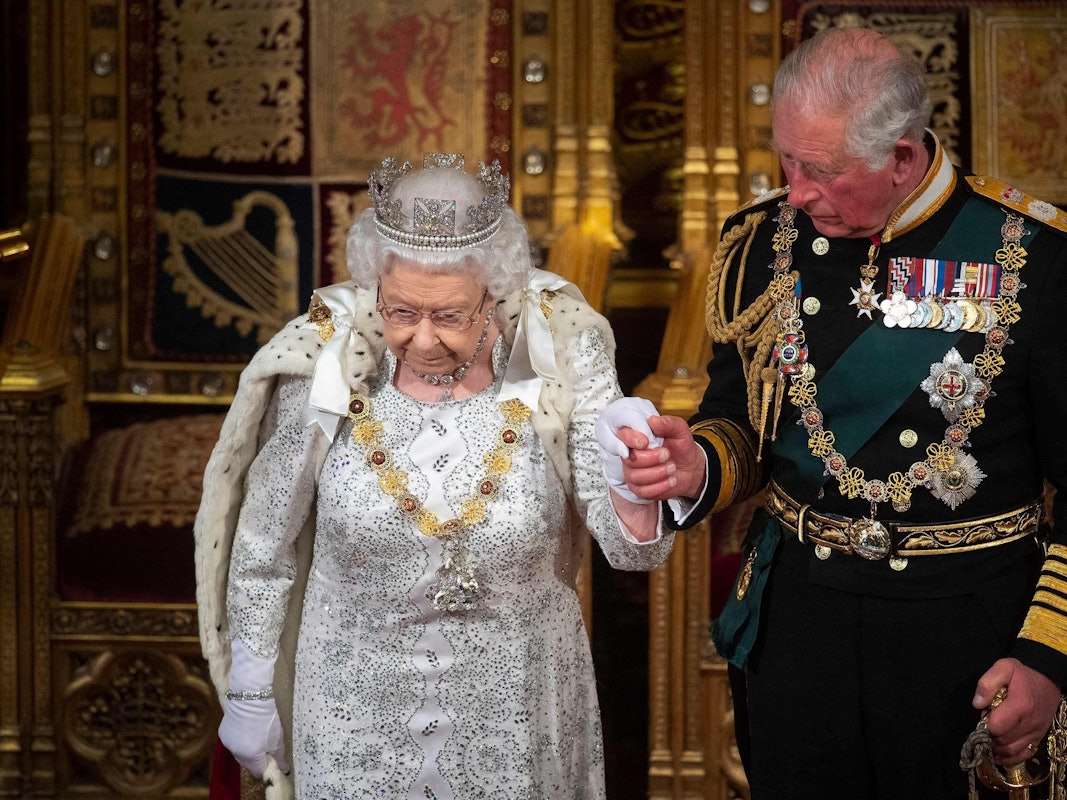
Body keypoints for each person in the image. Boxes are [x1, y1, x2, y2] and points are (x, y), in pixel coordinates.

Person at [596, 26, 1067, 800]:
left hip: (964, 632)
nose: (797, 189)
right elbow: (739, 423)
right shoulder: (759, 242)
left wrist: (1047, 658)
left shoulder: (1032, 258)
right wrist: (698, 464)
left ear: (903, 159)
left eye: (819, 170)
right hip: (798, 626)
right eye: (787, 160)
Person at [195, 153, 674, 799]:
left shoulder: (557, 352)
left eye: (448, 315)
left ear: (492, 294)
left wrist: (636, 481)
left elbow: (630, 552)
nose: (422, 339)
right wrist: (250, 690)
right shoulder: (326, 359)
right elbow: (262, 545)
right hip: (351, 709)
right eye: (400, 312)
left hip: (516, 706)